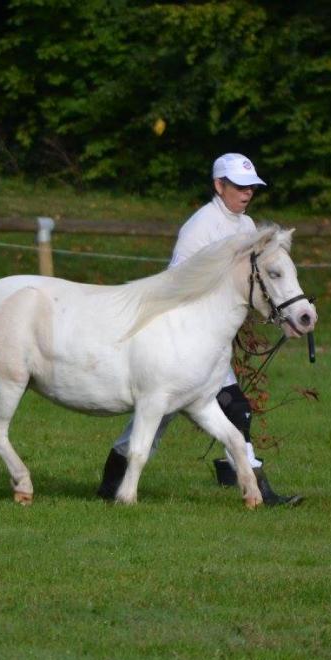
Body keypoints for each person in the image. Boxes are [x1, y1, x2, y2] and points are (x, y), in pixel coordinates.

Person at [96, 152, 303, 506]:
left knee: (182, 414)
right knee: (220, 410)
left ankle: (111, 484)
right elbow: (175, 281)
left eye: (251, 187)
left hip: (212, 344)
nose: (248, 192)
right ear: (219, 186)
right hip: (182, 344)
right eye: (239, 186)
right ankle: (255, 488)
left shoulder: (248, 226)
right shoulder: (200, 226)